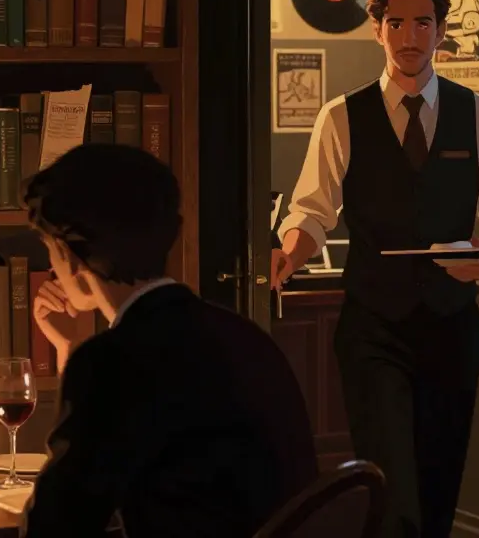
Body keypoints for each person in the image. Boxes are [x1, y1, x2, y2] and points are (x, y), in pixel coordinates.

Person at [272, 0, 479, 538]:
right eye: (396, 23)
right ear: (377, 30)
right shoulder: (341, 116)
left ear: (441, 31)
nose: (409, 37)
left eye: (423, 24)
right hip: (373, 330)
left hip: (451, 327)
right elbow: (312, 211)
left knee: (438, 489)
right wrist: (290, 253)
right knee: (392, 493)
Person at [21, 143, 319, 537]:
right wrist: (67, 350)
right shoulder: (245, 336)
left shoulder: (110, 362)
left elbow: (54, 526)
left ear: (73, 257)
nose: (51, 269)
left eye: (51, 253)